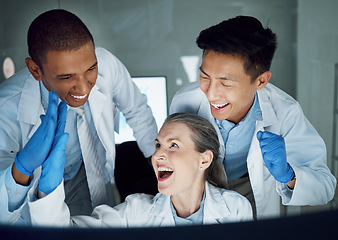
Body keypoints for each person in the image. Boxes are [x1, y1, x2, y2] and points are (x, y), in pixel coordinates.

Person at [169, 16, 337, 219]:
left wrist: (287, 174)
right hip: (199, 193)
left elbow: (325, 189)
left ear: (261, 81)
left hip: (250, 192)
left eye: (226, 83)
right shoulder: (186, 101)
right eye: (205, 77)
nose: (211, 94)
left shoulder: (285, 111)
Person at [0, 9, 158, 224]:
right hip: (34, 203)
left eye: (91, 68)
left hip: (95, 181)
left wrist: (159, 164)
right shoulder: (5, 109)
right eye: (66, 76)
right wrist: (22, 168)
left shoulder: (107, 64)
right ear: (35, 69)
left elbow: (137, 109)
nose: (84, 87)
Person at [27, 113, 253, 227]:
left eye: (173, 145)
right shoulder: (135, 212)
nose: (157, 155)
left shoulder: (234, 209)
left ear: (204, 160)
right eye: (158, 145)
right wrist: (47, 193)